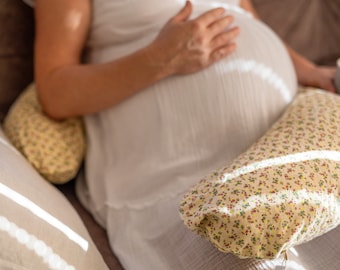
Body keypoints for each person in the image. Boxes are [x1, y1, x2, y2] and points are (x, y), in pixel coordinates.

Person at [29, 0, 337, 269]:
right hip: (176, 168)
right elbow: (56, 92)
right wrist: (160, 59)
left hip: (279, 148)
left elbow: (243, 17)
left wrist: (310, 71)